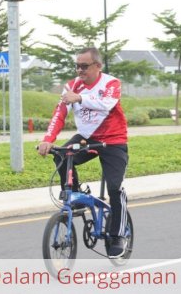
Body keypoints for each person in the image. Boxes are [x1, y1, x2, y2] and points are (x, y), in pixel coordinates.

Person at [37, 47, 129, 259]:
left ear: (98, 66)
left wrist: (79, 99)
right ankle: (74, 195)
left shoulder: (111, 83)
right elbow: (59, 115)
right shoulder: (71, 87)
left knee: (115, 188)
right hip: (87, 137)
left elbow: (107, 104)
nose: (80, 70)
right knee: (61, 154)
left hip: (113, 141)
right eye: (77, 66)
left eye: (84, 66)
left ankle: (117, 236)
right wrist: (48, 140)